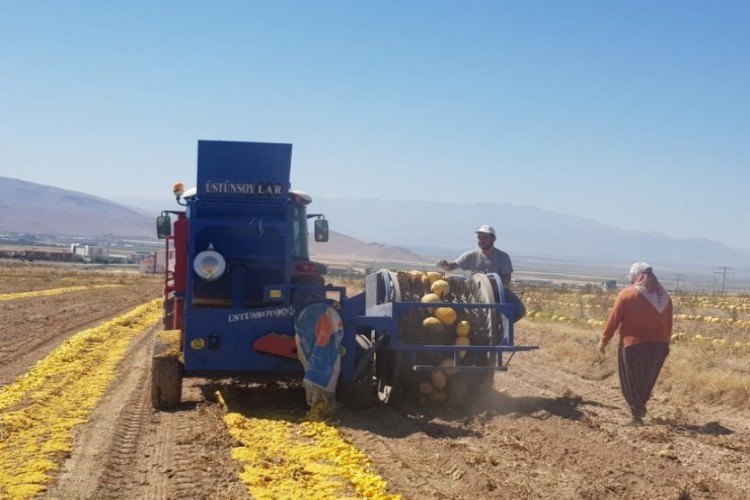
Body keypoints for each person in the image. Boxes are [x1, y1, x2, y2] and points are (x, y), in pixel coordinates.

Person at [598, 262, 673, 427]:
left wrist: (604, 340)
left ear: (636, 277)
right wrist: (667, 344)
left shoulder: (627, 294)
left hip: (634, 344)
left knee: (630, 381)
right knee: (647, 380)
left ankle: (636, 416)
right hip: (659, 345)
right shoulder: (665, 297)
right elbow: (669, 323)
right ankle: (640, 408)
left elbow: (614, 320)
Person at [437, 225, 526, 323]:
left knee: (519, 310)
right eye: (479, 238)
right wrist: (445, 265)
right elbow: (451, 266)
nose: (481, 240)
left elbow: (507, 280)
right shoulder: (471, 255)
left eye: (485, 238)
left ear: (493, 239)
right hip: (475, 291)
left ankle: (499, 326)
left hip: (497, 292)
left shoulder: (503, 257)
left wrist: (489, 281)